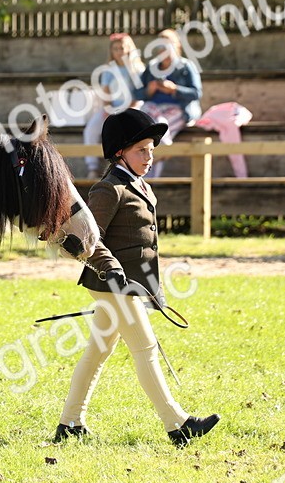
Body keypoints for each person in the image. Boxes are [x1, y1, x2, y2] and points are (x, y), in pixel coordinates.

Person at [55, 108, 220, 448]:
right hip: (113, 285)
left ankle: (70, 422)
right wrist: (113, 269)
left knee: (98, 351)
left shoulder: (138, 184)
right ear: (119, 153)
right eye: (141, 150)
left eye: (151, 149)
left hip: (130, 285)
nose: (149, 156)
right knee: (145, 348)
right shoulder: (108, 189)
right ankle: (178, 424)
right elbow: (88, 239)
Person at [134, 29, 202, 178]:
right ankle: (166, 150)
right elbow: (137, 93)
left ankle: (150, 184)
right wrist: (148, 91)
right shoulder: (152, 67)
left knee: (155, 134)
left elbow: (196, 93)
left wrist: (174, 89)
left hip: (177, 110)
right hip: (154, 111)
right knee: (150, 124)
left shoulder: (186, 66)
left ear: (176, 46)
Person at [84, 33, 143, 177]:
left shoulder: (138, 70)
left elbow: (139, 94)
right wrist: (109, 109)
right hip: (112, 109)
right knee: (91, 129)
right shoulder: (108, 70)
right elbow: (106, 94)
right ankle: (92, 167)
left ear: (129, 49)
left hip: (132, 108)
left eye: (122, 48)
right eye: (115, 49)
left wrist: (129, 111)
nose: (119, 52)